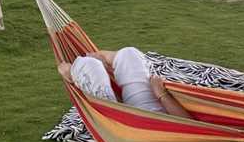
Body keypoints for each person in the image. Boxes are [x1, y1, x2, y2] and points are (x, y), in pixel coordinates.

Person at [56, 47, 191, 118]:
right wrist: (161, 95)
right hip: (151, 114)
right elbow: (190, 125)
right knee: (129, 53)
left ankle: (77, 76)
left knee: (87, 65)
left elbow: (189, 127)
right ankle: (105, 64)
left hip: (119, 122)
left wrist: (162, 94)